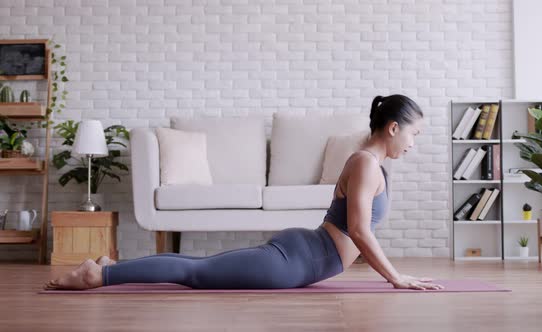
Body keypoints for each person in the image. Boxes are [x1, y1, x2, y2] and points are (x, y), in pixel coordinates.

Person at [44, 94, 444, 291]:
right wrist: (396, 278)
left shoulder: (371, 164)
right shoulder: (365, 164)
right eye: (414, 134)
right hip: (296, 260)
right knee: (195, 273)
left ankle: (109, 265)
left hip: (304, 256)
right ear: (393, 127)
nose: (413, 143)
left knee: (196, 265)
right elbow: (359, 229)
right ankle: (99, 274)